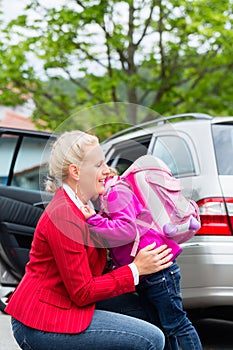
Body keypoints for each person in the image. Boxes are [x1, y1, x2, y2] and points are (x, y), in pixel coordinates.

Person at [5, 130, 174, 350]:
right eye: (98, 165)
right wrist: (135, 269)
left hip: (65, 303)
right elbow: (83, 291)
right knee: (152, 339)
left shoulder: (86, 208)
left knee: (150, 310)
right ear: (75, 171)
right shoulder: (64, 216)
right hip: (42, 323)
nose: (107, 171)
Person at [81, 162, 202, 350]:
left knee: (176, 324)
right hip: (148, 272)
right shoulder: (108, 198)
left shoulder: (116, 193)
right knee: (162, 327)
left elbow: (126, 230)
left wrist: (93, 220)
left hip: (158, 270)